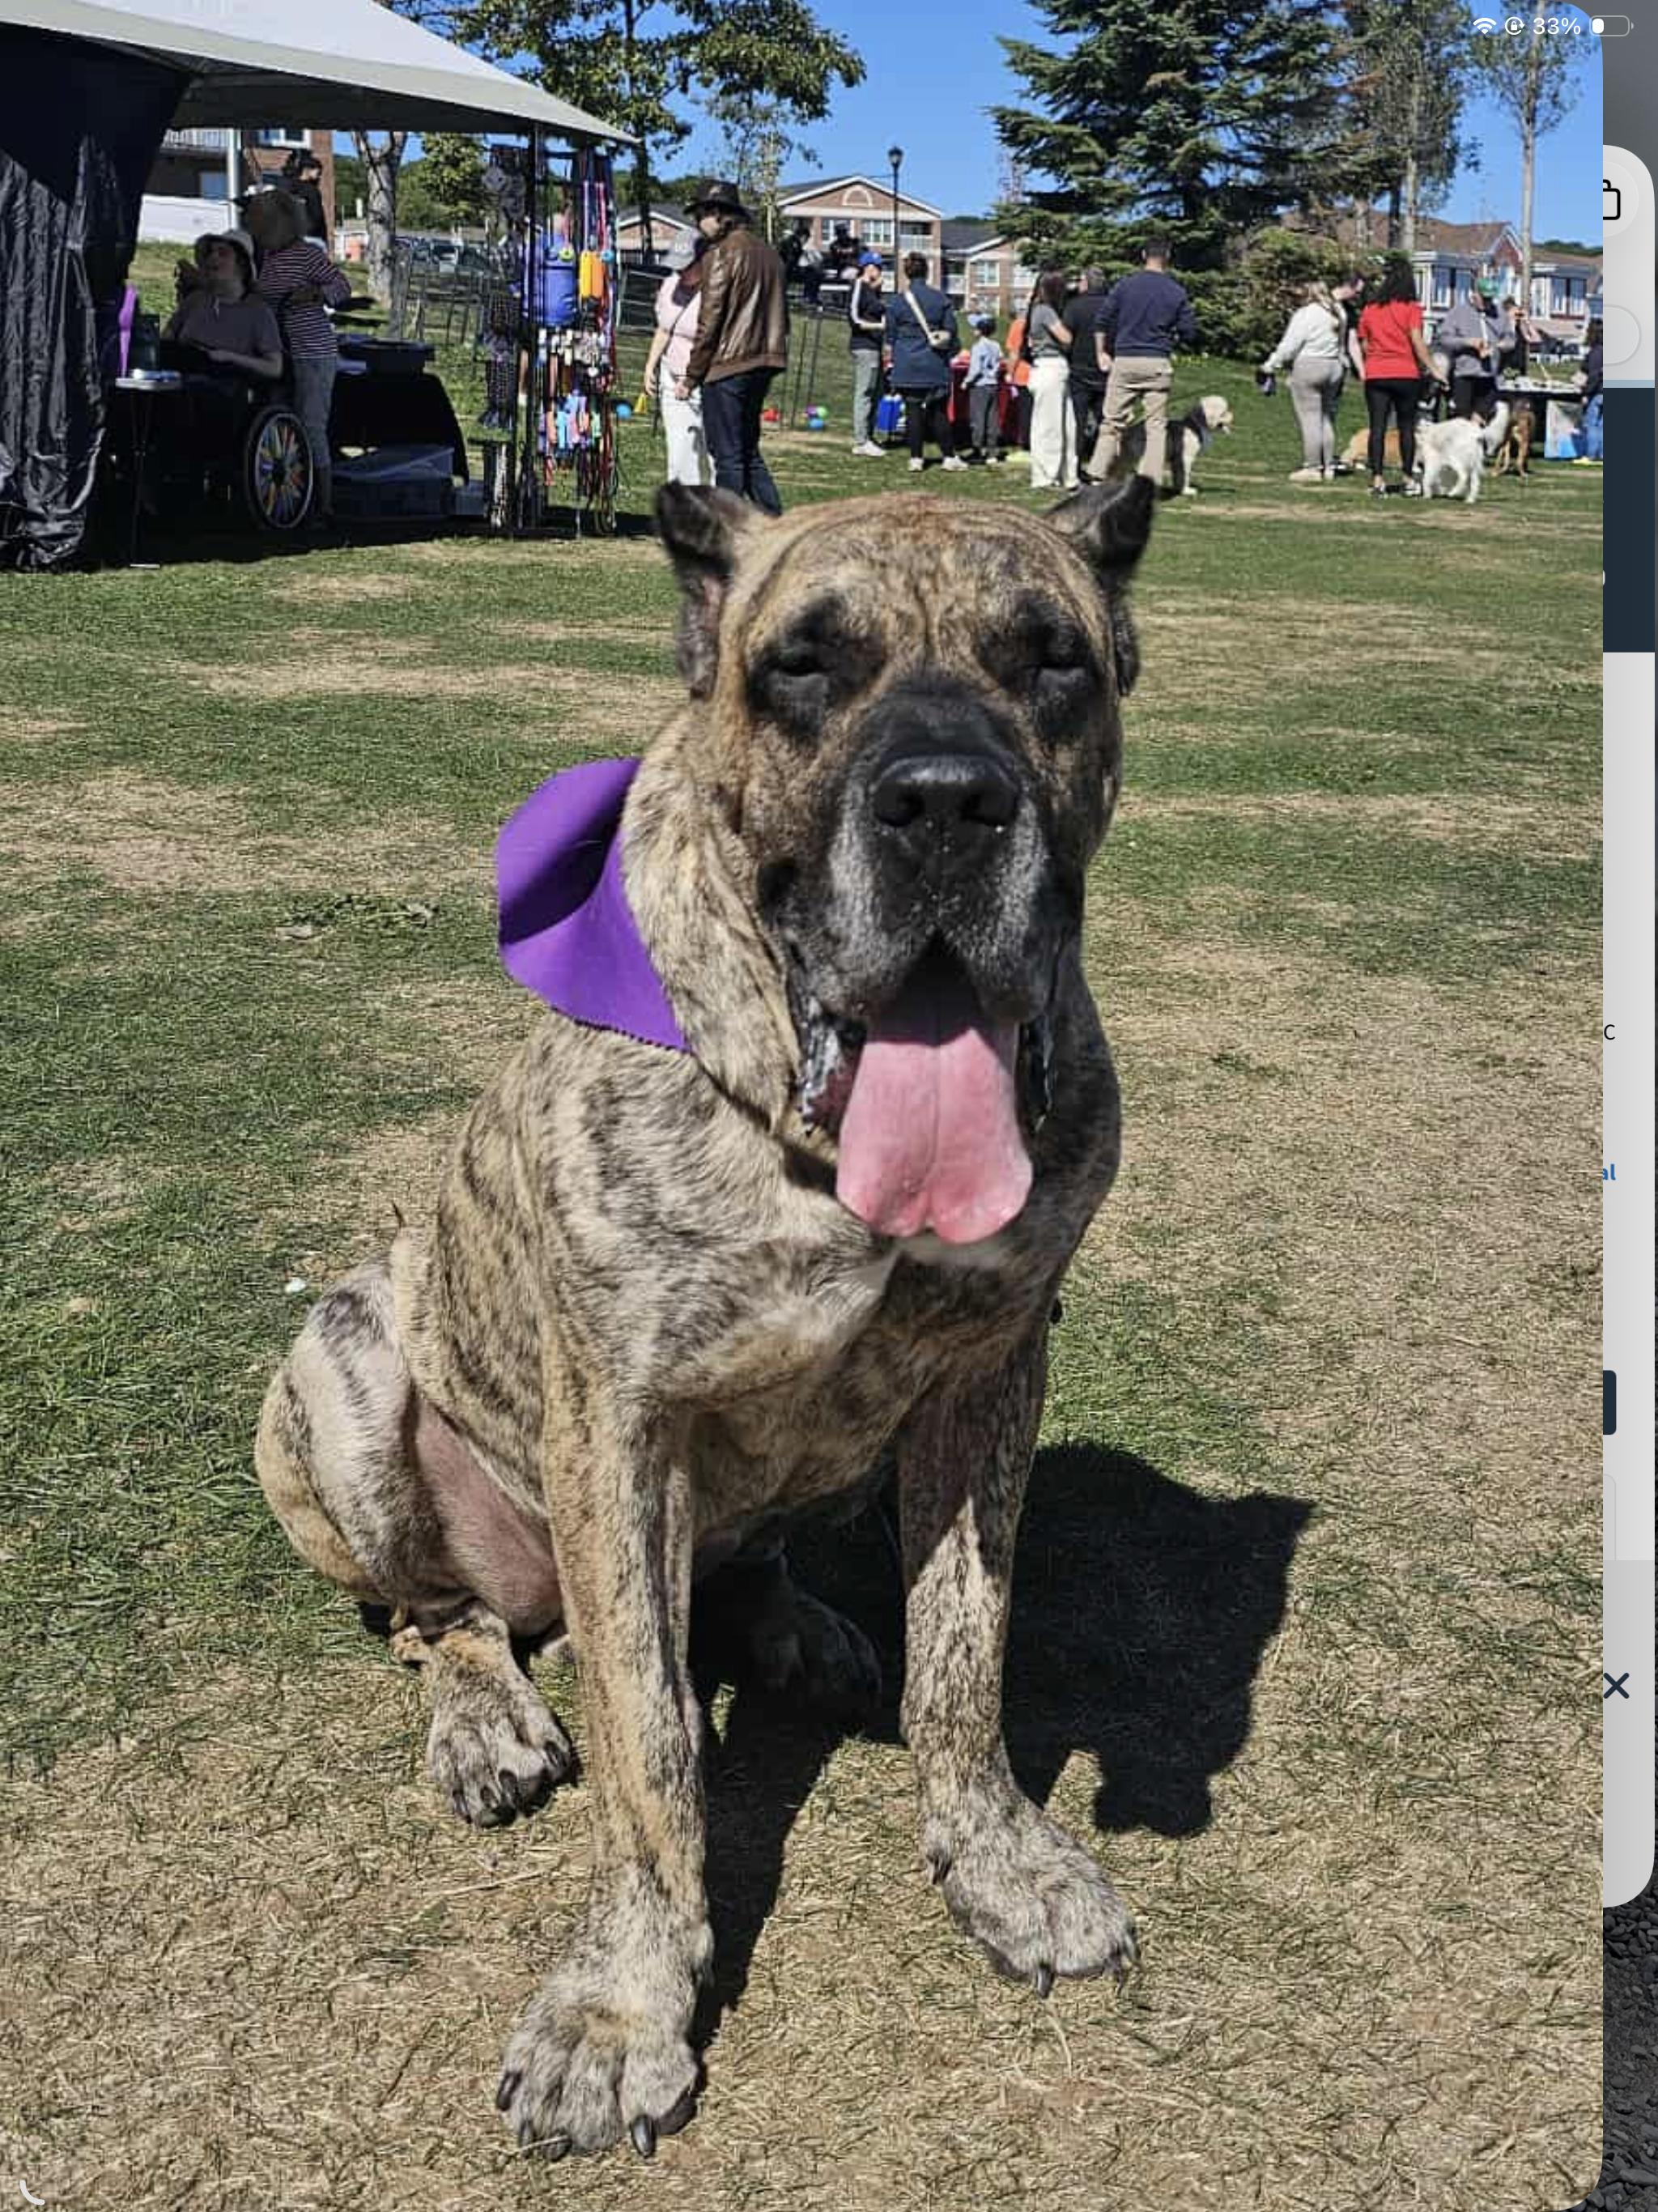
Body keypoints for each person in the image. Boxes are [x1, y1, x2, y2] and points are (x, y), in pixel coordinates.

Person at [677, 178, 789, 515]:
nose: (698, 224)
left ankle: (728, 529)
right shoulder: (770, 255)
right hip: (765, 359)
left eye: (700, 215)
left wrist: (691, 376)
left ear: (716, 213)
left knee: (727, 455)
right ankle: (775, 523)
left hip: (728, 364)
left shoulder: (721, 254)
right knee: (747, 450)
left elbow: (710, 321)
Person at [244, 187, 352, 521]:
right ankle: (290, 496)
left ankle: (323, 503)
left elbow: (342, 287)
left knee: (311, 424)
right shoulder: (266, 257)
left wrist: (315, 294)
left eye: (262, 225)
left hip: (312, 352)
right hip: (280, 351)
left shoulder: (306, 255)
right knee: (281, 424)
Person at [1088, 236, 1198, 484]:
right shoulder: (1176, 291)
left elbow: (1102, 320)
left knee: (1112, 422)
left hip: (1126, 359)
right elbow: (1189, 331)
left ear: (1143, 255)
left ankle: (1097, 473)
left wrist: (1101, 352)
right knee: (1156, 426)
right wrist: (1173, 338)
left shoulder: (1125, 286)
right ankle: (1150, 481)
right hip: (1157, 362)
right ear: (1168, 256)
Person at [1357, 259, 1443, 497]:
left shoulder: (1370, 309)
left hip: (1377, 373)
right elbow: (1417, 341)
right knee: (1406, 427)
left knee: (1378, 427)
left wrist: (1375, 357)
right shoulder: (1411, 308)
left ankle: (1377, 479)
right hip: (1405, 373)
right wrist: (1434, 369)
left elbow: (1364, 343)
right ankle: (1407, 478)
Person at [1261, 280, 1352, 483]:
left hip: (1310, 365)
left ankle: (1312, 467)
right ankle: (1328, 466)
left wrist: (1270, 365)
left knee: (1310, 418)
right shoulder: (1338, 311)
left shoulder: (1307, 313)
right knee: (1326, 418)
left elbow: (1290, 345)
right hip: (1334, 366)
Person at [884, 251, 966, 473]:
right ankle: (948, 456)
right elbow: (951, 331)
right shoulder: (940, 299)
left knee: (912, 411)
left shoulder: (896, 302)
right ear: (927, 272)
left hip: (907, 363)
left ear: (906, 273)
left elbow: (890, 336)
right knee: (939, 412)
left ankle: (916, 458)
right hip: (934, 362)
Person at [643, 238, 712, 487]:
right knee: (679, 453)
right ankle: (685, 505)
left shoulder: (716, 291)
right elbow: (664, 329)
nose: (681, 273)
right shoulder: (670, 285)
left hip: (708, 381)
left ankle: (722, 505)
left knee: (716, 453)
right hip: (673, 378)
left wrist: (692, 378)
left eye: (686, 267)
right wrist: (650, 365)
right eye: (677, 267)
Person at [1024, 270, 1077, 491]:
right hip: (1050, 367)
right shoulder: (1045, 311)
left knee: (1067, 427)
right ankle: (1046, 476)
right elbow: (1066, 337)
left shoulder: (1037, 310)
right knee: (1050, 427)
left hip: (1051, 369)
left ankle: (1067, 475)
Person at [1435, 280, 1513, 420]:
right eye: (1484, 299)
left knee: (1481, 418)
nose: (1487, 303)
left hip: (1489, 376)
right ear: (1474, 295)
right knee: (1462, 418)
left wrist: (1501, 345)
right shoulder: (1458, 312)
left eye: (1490, 299)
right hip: (1465, 374)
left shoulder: (1501, 315)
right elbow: (1444, 339)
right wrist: (1468, 342)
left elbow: (1510, 339)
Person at [1062, 266, 1108, 464]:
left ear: (1086, 283)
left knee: (1078, 420)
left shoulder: (1074, 306)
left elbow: (1066, 338)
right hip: (1106, 369)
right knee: (1106, 420)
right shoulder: (1113, 305)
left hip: (1079, 369)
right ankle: (1104, 460)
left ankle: (1077, 460)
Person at [847, 251, 887, 457]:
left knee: (876, 392)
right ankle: (861, 440)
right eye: (877, 267)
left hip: (876, 346)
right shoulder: (858, 286)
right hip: (864, 346)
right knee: (865, 392)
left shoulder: (873, 291)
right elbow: (854, 318)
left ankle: (869, 436)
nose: (880, 271)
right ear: (867, 268)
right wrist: (878, 327)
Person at [963, 313, 1005, 464]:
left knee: (978, 419)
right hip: (993, 385)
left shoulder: (978, 347)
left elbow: (975, 369)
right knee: (992, 419)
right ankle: (992, 451)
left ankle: (977, 450)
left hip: (979, 386)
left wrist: (966, 382)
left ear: (980, 330)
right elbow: (999, 363)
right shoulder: (996, 345)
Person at [278, 148, 329, 243]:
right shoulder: (312, 190)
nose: (319, 176)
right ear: (307, 170)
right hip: (312, 237)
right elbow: (318, 217)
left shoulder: (286, 187)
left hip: (292, 237)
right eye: (318, 173)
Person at [1575, 317, 1604, 463]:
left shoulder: (1596, 352)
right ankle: (1601, 455)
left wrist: (1586, 393)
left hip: (1597, 392)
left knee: (1591, 424)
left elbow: (1594, 376)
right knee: (1602, 425)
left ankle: (1591, 455)